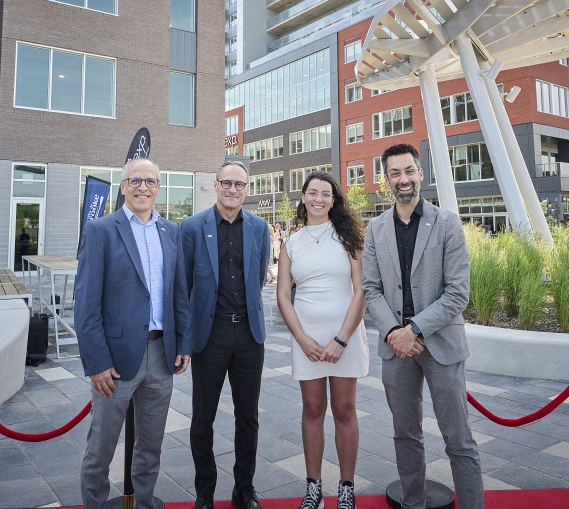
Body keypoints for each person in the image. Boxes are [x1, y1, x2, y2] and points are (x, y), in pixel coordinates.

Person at [361, 144, 483, 509]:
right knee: (405, 435)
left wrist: (412, 330)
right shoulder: (375, 227)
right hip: (395, 350)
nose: (403, 179)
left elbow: (457, 293)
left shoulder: (446, 223)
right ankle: (413, 502)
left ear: (421, 173)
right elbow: (370, 288)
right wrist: (393, 333)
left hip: (441, 345)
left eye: (409, 171)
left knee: (458, 439)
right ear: (386, 180)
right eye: (395, 173)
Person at [75, 158, 192, 509]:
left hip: (162, 355)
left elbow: (179, 295)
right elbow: (86, 304)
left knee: (151, 445)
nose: (143, 187)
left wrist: (183, 342)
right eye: (136, 181)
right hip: (115, 361)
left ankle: (143, 502)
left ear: (159, 187)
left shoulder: (171, 232)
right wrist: (96, 362)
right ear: (123, 186)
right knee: (101, 448)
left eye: (151, 182)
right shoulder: (101, 230)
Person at [181, 161, 271, 509]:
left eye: (240, 185)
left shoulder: (260, 228)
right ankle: (205, 493)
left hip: (249, 333)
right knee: (203, 417)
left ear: (247, 189)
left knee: (248, 416)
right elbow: (185, 285)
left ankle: (243, 488)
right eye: (227, 183)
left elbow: (259, 276)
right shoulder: (191, 227)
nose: (233, 190)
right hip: (211, 332)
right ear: (215, 185)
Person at [277, 171, 369, 509]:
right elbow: (283, 296)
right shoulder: (292, 243)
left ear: (334, 200)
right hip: (308, 340)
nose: (318, 199)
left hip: (344, 336)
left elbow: (362, 291)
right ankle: (313, 486)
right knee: (313, 409)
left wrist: (341, 339)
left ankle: (346, 487)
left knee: (345, 409)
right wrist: (301, 338)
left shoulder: (350, 238)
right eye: (312, 193)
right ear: (303, 197)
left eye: (326, 194)